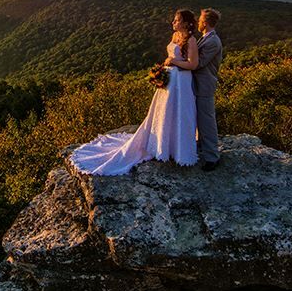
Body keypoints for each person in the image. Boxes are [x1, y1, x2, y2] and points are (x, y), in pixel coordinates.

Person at [69, 10, 199, 175]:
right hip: (171, 80)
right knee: (165, 113)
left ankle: (177, 149)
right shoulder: (175, 37)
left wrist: (173, 61)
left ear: (186, 23)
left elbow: (193, 65)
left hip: (181, 81)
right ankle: (163, 146)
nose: (173, 22)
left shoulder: (192, 40)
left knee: (179, 113)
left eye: (176, 20)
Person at [175, 7, 224, 171]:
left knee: (206, 121)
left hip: (205, 85)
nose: (198, 22)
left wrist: (175, 62)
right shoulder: (205, 38)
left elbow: (198, 64)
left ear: (206, 22)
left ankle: (212, 157)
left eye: (201, 20)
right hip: (195, 84)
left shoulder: (213, 41)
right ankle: (201, 147)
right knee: (196, 118)